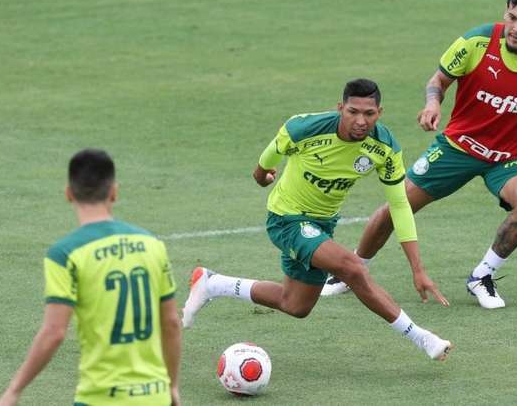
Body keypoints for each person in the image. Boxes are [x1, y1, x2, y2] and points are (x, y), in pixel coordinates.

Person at [321, 0, 517, 309]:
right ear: (505, 13)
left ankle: (482, 276)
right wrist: (433, 104)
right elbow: (438, 81)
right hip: (458, 147)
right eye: (512, 18)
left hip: (512, 158)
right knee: (399, 205)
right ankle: (353, 269)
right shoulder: (477, 42)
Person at [182, 78, 452, 360]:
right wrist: (262, 175)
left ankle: (212, 283)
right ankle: (423, 338)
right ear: (340, 108)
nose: (361, 120)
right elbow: (268, 158)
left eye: (369, 114)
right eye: (353, 112)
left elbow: (399, 204)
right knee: (353, 268)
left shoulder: (384, 147)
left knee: (295, 305)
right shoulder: (303, 128)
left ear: (379, 113)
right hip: (286, 219)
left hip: (322, 225)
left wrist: (417, 268)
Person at [0, 149, 182, 406]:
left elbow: (54, 332)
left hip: (100, 397)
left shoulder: (65, 253)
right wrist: (171, 385)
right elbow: (171, 322)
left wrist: (14, 390)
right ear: (114, 192)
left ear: (68, 194)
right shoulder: (152, 244)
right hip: (154, 395)